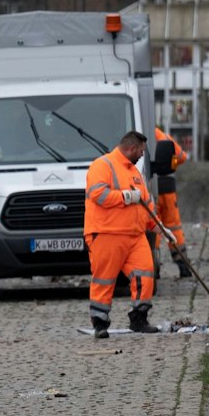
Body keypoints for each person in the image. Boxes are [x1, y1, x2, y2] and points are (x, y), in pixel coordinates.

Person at [84, 131, 160, 338]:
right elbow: (97, 194)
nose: (142, 155)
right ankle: (100, 323)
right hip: (106, 233)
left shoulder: (135, 173)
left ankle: (139, 318)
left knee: (145, 274)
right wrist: (126, 196)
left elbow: (147, 204)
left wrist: (159, 226)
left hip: (135, 236)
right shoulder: (102, 165)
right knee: (104, 279)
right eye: (141, 151)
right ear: (131, 148)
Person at [150, 126, 192, 278]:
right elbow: (182, 156)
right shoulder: (164, 138)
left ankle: (153, 266)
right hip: (168, 187)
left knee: (152, 225)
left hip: (149, 188)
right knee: (173, 226)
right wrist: (170, 165)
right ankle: (183, 266)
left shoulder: (139, 134)